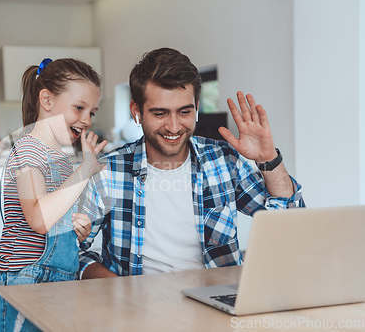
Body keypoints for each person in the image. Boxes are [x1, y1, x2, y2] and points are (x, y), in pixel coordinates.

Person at [78, 48, 305, 278]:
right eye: (160, 114)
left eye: (184, 112)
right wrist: (118, 289)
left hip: (217, 301)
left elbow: (290, 226)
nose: (174, 127)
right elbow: (71, 252)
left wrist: (268, 160)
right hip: (138, 308)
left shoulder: (224, 161)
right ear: (137, 111)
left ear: (196, 106)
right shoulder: (108, 171)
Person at [0, 58, 107, 332]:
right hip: (25, 282)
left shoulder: (60, 160)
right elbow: (38, 218)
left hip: (55, 281)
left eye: (92, 112)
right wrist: (85, 170)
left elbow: (53, 219)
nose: (86, 120)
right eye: (79, 108)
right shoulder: (28, 150)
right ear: (47, 101)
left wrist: (75, 228)